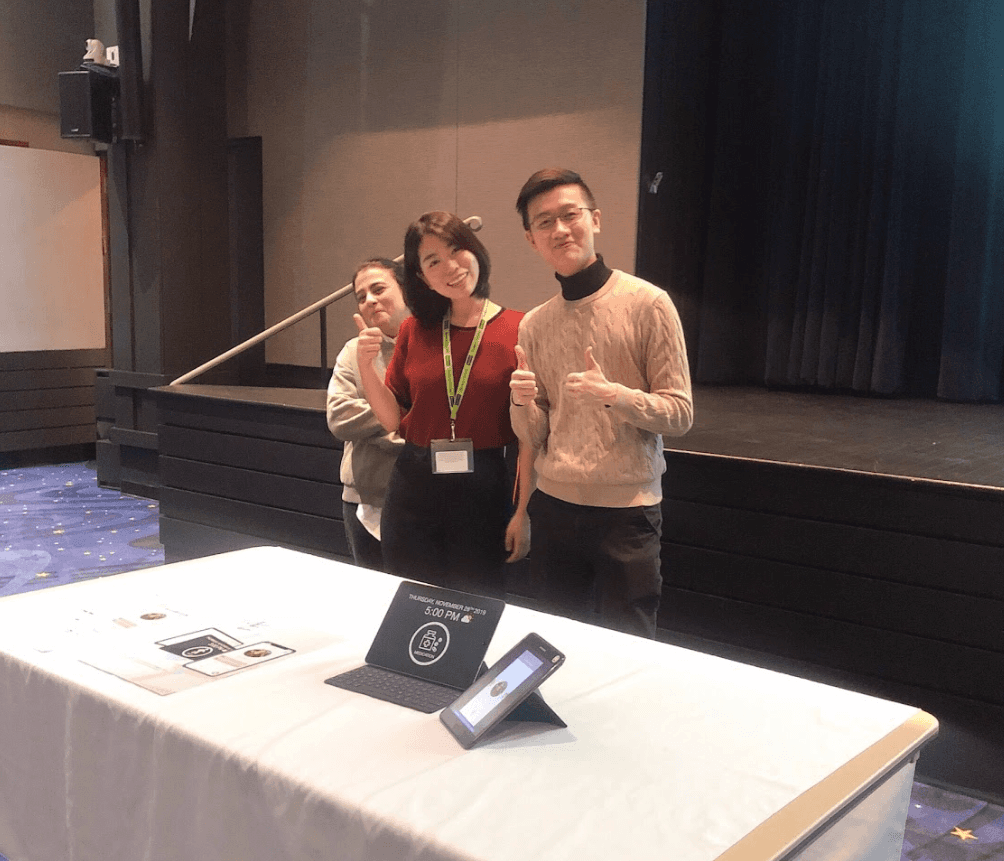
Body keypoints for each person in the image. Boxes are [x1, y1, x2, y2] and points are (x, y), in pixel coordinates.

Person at [509, 168, 693, 637]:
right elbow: (535, 434)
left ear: (595, 220)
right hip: (553, 506)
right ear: (532, 240)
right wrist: (521, 404)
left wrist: (614, 395)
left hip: (626, 514)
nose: (560, 229)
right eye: (544, 222)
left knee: (628, 651)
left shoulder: (648, 303)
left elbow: (680, 413)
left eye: (570, 215)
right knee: (550, 644)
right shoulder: (534, 323)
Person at [354, 211, 533, 596]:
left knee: (476, 605)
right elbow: (390, 419)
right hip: (414, 481)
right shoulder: (413, 330)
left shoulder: (519, 328)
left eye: (457, 250)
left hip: (484, 483)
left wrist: (523, 511)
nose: (450, 267)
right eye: (433, 261)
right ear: (420, 276)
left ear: (476, 251)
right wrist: (366, 366)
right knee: (411, 600)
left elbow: (529, 435)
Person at [327, 258, 410, 570]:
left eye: (378, 289)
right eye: (361, 297)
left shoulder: (434, 346)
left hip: (425, 497)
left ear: (405, 290)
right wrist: (405, 415)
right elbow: (339, 417)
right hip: (363, 497)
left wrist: (381, 426)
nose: (370, 300)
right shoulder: (353, 351)